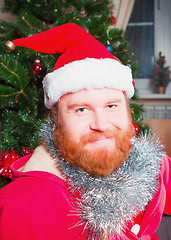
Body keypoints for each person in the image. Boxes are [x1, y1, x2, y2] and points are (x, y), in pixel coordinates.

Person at [0, 23, 170, 240]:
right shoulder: (22, 206)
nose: (101, 124)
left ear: (127, 109)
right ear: (56, 116)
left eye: (111, 106)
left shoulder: (154, 165)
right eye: (81, 109)